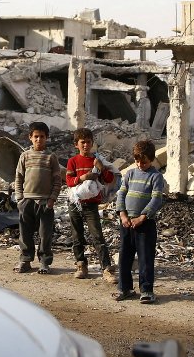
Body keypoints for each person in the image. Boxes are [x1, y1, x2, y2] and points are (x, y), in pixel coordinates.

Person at [114, 139, 165, 304]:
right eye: (137, 161)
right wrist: (123, 215)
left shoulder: (156, 177)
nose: (140, 165)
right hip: (127, 223)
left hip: (145, 224)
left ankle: (146, 290)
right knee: (124, 257)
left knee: (145, 258)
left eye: (144, 162)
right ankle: (125, 288)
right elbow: (121, 194)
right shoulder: (129, 174)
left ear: (152, 159)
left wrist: (142, 217)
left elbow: (156, 199)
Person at [64, 128, 116, 279]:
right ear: (76, 144)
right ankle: (81, 265)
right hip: (75, 203)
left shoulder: (98, 160)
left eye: (88, 142)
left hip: (91, 204)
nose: (86, 145)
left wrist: (100, 168)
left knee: (97, 236)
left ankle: (106, 269)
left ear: (93, 143)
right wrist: (83, 178)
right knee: (77, 236)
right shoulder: (73, 161)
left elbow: (109, 179)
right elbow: (69, 181)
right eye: (83, 142)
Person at [13, 121, 62, 274]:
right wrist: (20, 199)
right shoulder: (25, 156)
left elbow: (57, 180)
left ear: (46, 138)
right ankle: (25, 260)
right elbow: (18, 178)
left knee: (45, 234)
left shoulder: (51, 157)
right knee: (25, 232)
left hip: (45, 202)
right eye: (36, 136)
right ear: (30, 137)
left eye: (42, 136)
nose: (39, 139)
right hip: (27, 200)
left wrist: (52, 199)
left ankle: (44, 262)